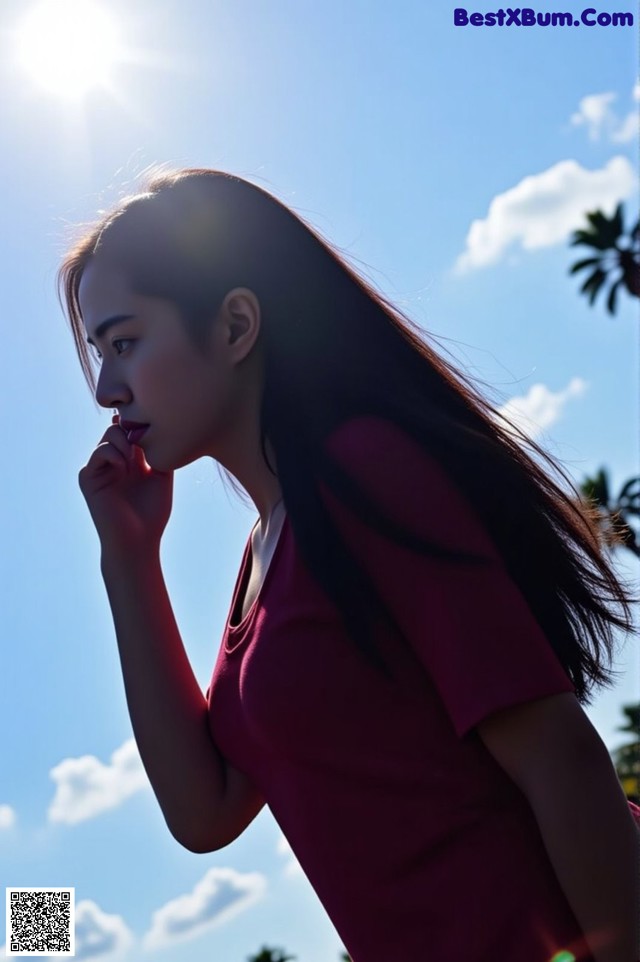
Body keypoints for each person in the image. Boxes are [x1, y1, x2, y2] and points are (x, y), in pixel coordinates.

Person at [58, 168, 639, 962]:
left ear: (234, 326)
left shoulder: (364, 475)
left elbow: (559, 756)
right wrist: (128, 558)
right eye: (99, 353)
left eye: (124, 343)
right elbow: (205, 812)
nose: (105, 390)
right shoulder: (264, 556)